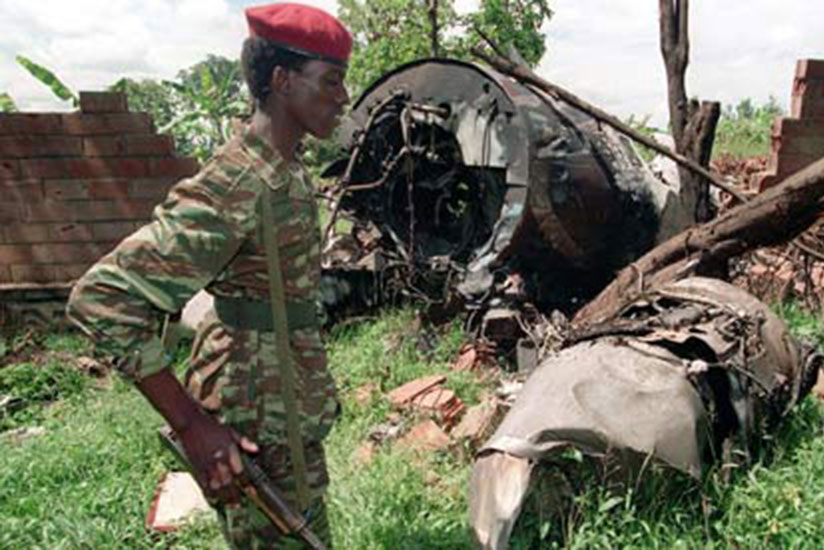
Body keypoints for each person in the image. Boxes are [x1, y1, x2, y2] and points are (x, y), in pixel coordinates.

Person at [66, 3, 351, 548]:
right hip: (256, 423)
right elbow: (100, 298)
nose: (341, 97)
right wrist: (193, 426)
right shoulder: (235, 184)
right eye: (331, 81)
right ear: (282, 80)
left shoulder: (283, 172)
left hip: (288, 411)